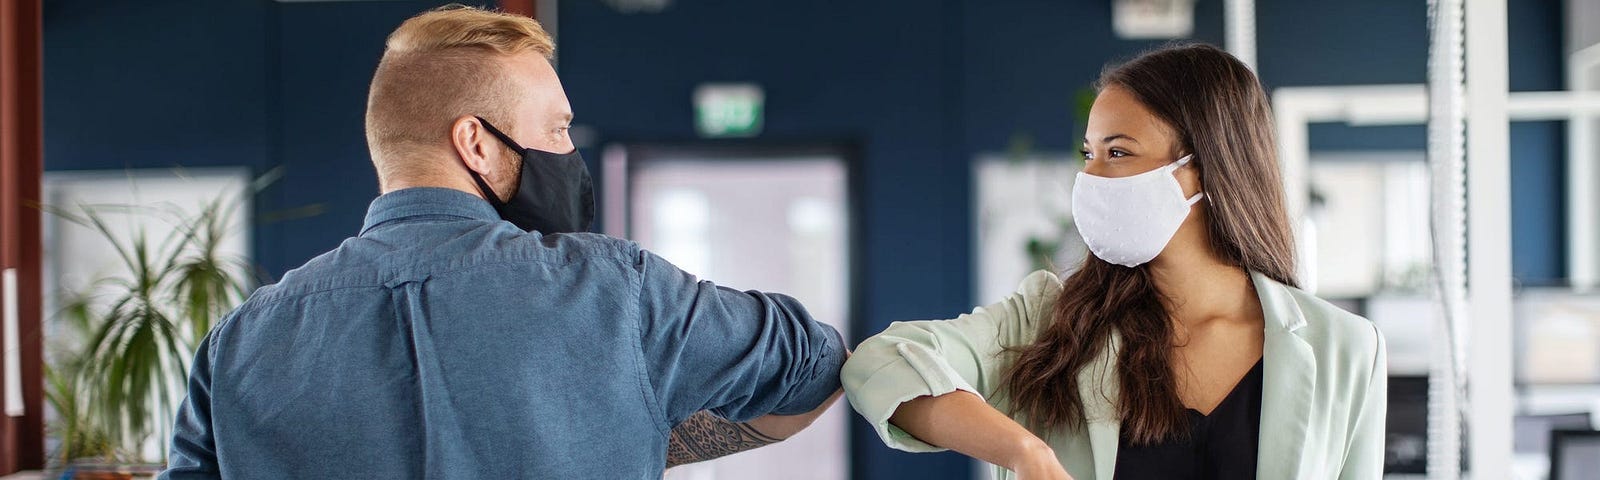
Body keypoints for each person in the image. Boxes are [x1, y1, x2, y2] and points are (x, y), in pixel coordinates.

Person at [160, 6, 845, 479]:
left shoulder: (241, 339)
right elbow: (816, 365)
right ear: (476, 142)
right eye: (556, 130)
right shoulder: (614, 288)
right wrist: (643, 438)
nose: (568, 151)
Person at [841, 44, 1386, 480]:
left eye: (1118, 152)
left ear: (1205, 169)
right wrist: (1024, 452)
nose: (1091, 179)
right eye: (1089, 153)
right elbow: (881, 360)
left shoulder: (1344, 348)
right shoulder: (1050, 321)